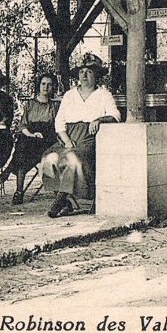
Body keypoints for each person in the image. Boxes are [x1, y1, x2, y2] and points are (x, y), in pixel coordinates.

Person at [41, 54, 120, 218]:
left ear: (96, 75)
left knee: (74, 159)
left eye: (89, 72)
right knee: (48, 158)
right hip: (68, 136)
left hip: (89, 138)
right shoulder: (70, 95)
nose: (84, 75)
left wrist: (99, 119)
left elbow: (116, 115)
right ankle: (65, 200)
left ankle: (60, 200)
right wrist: (66, 140)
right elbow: (59, 121)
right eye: (82, 72)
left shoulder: (103, 94)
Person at [0, 72, 59, 205]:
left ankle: (11, 174)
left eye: (49, 85)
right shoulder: (30, 104)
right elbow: (23, 125)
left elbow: (56, 127)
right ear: (39, 86)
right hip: (30, 137)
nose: (46, 87)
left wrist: (40, 135)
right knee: (24, 143)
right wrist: (31, 134)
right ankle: (18, 191)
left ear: (53, 87)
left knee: (23, 149)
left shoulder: (54, 106)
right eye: (43, 84)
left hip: (46, 139)